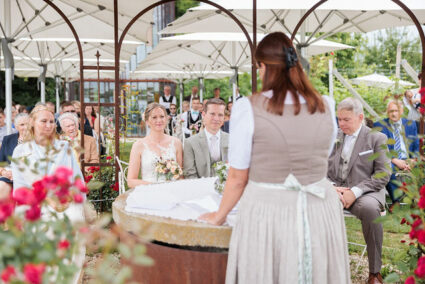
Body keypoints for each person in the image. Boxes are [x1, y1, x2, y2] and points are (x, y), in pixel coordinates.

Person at [200, 32, 350, 283]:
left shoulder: (247, 108)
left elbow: (238, 177)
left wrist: (219, 215)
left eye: (258, 68)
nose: (258, 74)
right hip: (319, 209)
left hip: (271, 211)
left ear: (264, 67)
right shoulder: (326, 104)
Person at [11, 105, 85, 284]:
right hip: (34, 202)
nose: (48, 125)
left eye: (52, 121)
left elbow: (78, 181)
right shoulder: (21, 151)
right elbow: (20, 189)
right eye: (43, 121)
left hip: (64, 201)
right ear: (33, 123)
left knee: (74, 218)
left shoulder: (64, 147)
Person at [328, 98, 391, 284]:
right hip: (335, 189)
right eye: (339, 119)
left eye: (346, 119)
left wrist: (354, 191)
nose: (341, 124)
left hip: (366, 192)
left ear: (360, 117)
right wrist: (332, 189)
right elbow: (321, 167)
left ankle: (374, 273)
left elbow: (383, 174)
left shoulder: (377, 138)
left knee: (371, 210)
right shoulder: (335, 136)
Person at [373, 100, 419, 204]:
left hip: (408, 159)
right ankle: (396, 201)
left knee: (420, 168)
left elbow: (416, 145)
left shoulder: (410, 124)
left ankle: (414, 199)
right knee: (387, 168)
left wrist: (413, 160)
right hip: (391, 160)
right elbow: (380, 148)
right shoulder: (380, 125)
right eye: (391, 111)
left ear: (401, 111)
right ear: (387, 112)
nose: (393, 114)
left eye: (396, 111)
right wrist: (394, 160)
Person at [127, 103, 183, 187]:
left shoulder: (176, 143)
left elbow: (181, 177)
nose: (159, 120)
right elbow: (131, 181)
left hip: (172, 193)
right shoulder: (138, 146)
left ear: (167, 119)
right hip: (149, 193)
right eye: (154, 117)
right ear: (147, 121)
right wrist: (155, 186)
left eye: (162, 116)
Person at [184, 99, 228, 179]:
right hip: (200, 189)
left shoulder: (233, 140)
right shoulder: (190, 142)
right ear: (203, 114)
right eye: (212, 114)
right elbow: (190, 174)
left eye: (220, 115)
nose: (216, 118)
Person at [0, 113, 29, 195]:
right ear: (16, 127)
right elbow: (1, 162)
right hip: (9, 176)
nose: (26, 127)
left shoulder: (36, 140)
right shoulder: (7, 139)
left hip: (27, 177)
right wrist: (4, 172)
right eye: (22, 125)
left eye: (28, 124)